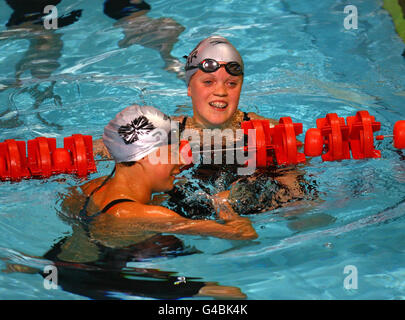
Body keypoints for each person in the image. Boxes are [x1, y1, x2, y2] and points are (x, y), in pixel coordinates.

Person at [93, 36, 318, 218]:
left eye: (231, 84)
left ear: (241, 87)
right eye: (208, 82)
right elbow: (108, 149)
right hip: (184, 213)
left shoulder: (268, 131)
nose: (220, 92)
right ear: (190, 88)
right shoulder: (167, 132)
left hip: (253, 210)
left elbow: (300, 197)